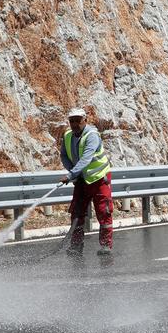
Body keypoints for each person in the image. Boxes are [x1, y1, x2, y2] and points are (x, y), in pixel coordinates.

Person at [59, 106, 114, 254]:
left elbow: (86, 159)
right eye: (72, 121)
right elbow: (63, 155)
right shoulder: (68, 136)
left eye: (78, 120)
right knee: (77, 212)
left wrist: (71, 175)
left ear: (85, 120)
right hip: (82, 179)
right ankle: (76, 245)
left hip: (99, 178)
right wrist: (73, 172)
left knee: (104, 211)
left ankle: (106, 245)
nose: (75, 124)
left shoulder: (92, 135)